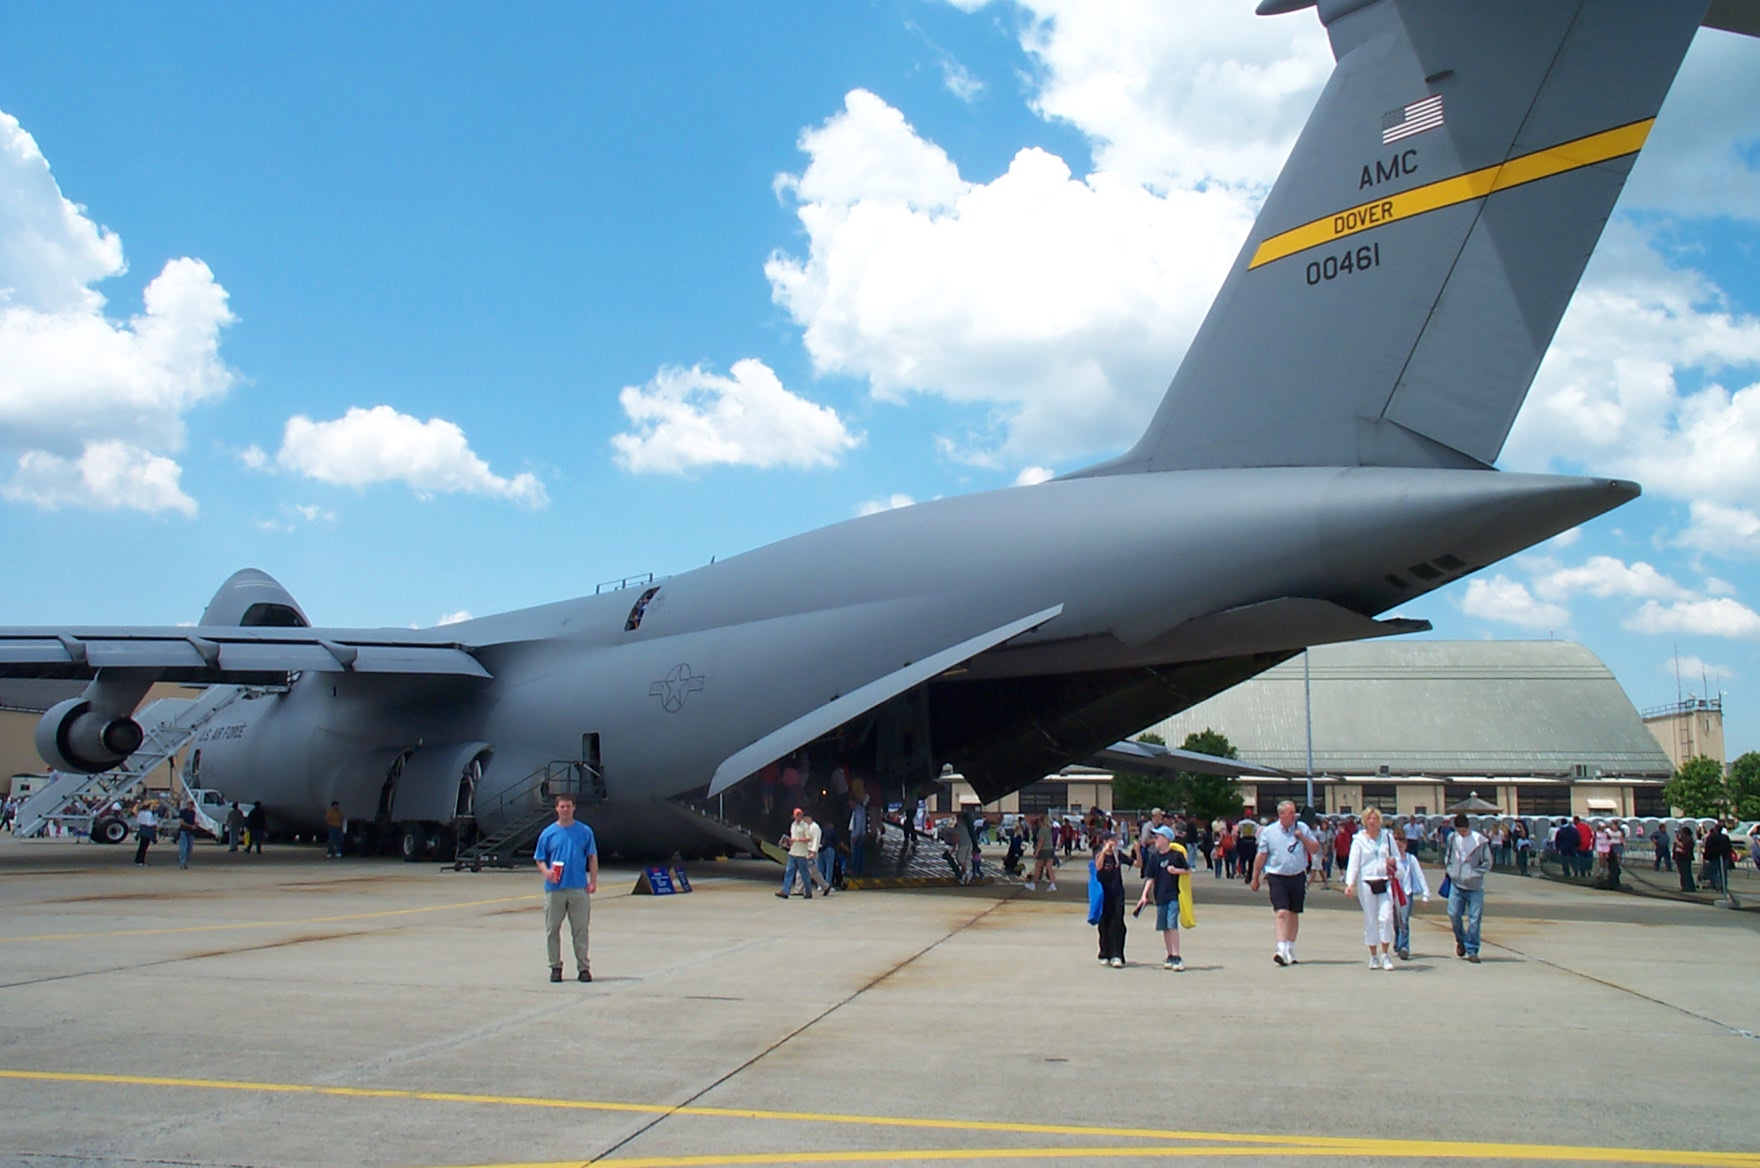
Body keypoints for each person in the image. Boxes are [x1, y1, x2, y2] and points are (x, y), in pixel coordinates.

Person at [533, 793, 598, 983]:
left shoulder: (585, 832)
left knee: (580, 930)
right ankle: (555, 966)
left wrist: (593, 881)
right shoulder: (548, 833)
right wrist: (546, 872)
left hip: (578, 888)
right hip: (555, 889)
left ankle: (583, 968)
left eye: (568, 806)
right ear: (556, 809)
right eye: (562, 806)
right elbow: (539, 859)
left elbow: (592, 856)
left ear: (574, 808)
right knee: (552, 929)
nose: (565, 810)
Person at [1250, 800, 1320, 966]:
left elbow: (1315, 848)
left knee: (1294, 912)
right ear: (1281, 814)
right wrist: (1255, 877)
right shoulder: (1269, 832)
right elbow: (1261, 856)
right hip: (1277, 875)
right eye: (1290, 813)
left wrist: (1302, 837)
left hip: (1297, 875)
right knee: (1281, 912)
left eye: (1294, 812)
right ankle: (1280, 948)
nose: (1293, 816)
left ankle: (1290, 947)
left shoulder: (1302, 828)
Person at [1345, 807, 1399, 970]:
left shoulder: (1387, 837)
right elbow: (1353, 862)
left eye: (1374, 818)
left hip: (1384, 880)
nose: (1372, 821)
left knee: (1386, 917)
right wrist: (1350, 883)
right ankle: (1373, 955)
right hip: (1366, 881)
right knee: (1371, 919)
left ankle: (1385, 954)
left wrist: (1392, 862)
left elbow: (1396, 857)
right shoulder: (1359, 840)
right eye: (1369, 818)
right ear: (1364, 821)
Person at [1134, 826, 1191, 971]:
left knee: (1172, 925)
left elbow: (1188, 869)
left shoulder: (1176, 855)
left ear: (1166, 839)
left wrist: (1176, 871)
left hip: (1173, 896)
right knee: (1164, 926)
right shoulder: (1155, 857)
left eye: (1158, 837)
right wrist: (1144, 895)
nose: (1155, 840)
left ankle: (1177, 956)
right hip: (1160, 896)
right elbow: (1150, 877)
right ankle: (1170, 955)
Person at [1444, 813, 1492, 963]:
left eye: (1464, 831)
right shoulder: (1453, 839)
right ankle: (1461, 939)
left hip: (1474, 886)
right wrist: (1451, 871)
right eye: (1459, 831)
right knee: (1453, 913)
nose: (1462, 834)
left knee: (1475, 918)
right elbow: (1448, 856)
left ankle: (1472, 949)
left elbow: (1487, 862)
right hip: (1456, 883)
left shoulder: (1480, 841)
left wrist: (1475, 873)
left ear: (1468, 828)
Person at [1391, 832, 1430, 960]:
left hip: (1406, 893)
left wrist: (1426, 894)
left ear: (1405, 845)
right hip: (1392, 893)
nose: (1399, 845)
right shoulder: (1390, 859)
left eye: (1401, 843)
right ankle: (1398, 942)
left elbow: (1419, 875)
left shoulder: (1411, 859)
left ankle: (1404, 947)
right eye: (1396, 842)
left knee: (1404, 919)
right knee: (1396, 921)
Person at [1093, 833, 1128, 967]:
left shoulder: (1118, 855)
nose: (1114, 843)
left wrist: (1137, 851)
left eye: (1115, 840)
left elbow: (1136, 863)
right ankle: (1104, 953)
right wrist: (1104, 850)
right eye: (1111, 840)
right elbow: (1098, 866)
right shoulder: (1099, 852)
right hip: (1103, 893)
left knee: (1118, 923)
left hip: (1117, 892)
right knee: (1104, 923)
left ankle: (1117, 954)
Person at [777, 808, 817, 899]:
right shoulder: (793, 825)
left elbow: (808, 838)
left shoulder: (805, 826)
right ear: (794, 816)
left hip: (801, 853)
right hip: (793, 852)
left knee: (804, 873)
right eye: (796, 815)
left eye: (799, 815)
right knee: (789, 872)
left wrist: (797, 840)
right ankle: (785, 891)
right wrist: (788, 842)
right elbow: (793, 837)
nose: (798, 817)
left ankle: (808, 891)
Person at [1027, 815, 1057, 891]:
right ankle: (1052, 884)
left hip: (1043, 850)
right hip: (1050, 850)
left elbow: (1040, 842)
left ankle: (1033, 884)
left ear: (1041, 822)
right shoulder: (1049, 829)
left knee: (1038, 868)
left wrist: (1036, 852)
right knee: (1049, 868)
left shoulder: (1042, 830)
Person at [847, 797, 868, 877]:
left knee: (856, 853)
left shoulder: (859, 810)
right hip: (858, 834)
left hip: (858, 835)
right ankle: (860, 870)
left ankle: (855, 870)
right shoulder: (857, 810)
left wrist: (855, 835)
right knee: (860, 853)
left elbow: (859, 824)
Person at [176, 799, 198, 869]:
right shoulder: (183, 812)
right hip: (184, 830)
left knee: (189, 848)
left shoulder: (193, 812)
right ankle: (182, 863)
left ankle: (183, 859)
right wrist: (191, 826)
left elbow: (193, 821)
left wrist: (195, 824)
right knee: (183, 847)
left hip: (190, 831)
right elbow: (181, 822)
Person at [1674, 825, 1697, 892]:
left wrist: (1677, 841)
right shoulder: (1686, 838)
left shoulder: (1688, 839)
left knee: (1685, 873)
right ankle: (1687, 886)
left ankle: (1688, 887)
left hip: (1684, 858)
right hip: (1682, 858)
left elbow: (1684, 845)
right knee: (1684, 873)